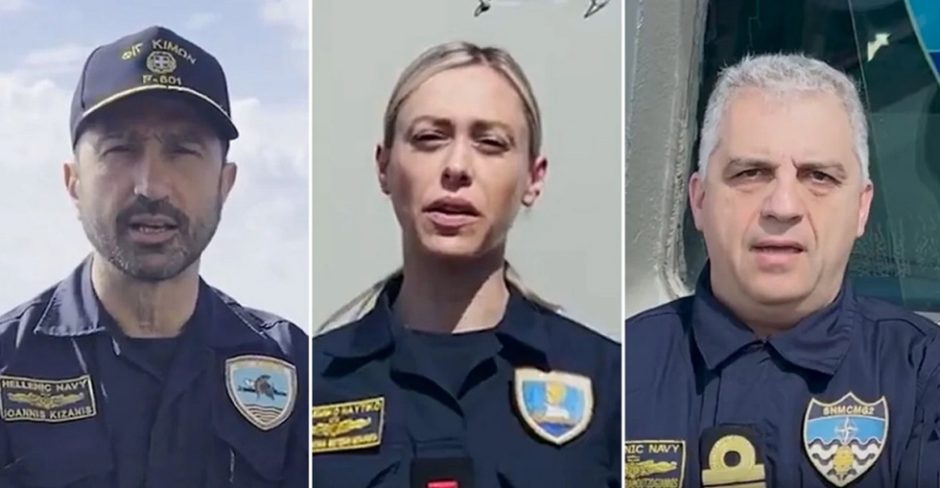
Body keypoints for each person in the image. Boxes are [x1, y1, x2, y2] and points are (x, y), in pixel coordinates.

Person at [0, 26, 307, 487]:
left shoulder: (294, 368)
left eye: (183, 151)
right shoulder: (9, 362)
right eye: (120, 149)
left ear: (224, 185)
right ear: (74, 183)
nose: (151, 186)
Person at [311, 41, 620, 487]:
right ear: (384, 166)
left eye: (490, 143)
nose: (456, 166)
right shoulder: (314, 381)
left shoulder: (611, 385)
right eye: (429, 138)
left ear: (533, 178)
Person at [624, 53, 940, 487]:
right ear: (699, 200)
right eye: (751, 173)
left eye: (819, 177)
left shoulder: (924, 375)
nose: (783, 207)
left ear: (862, 208)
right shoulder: (619, 371)